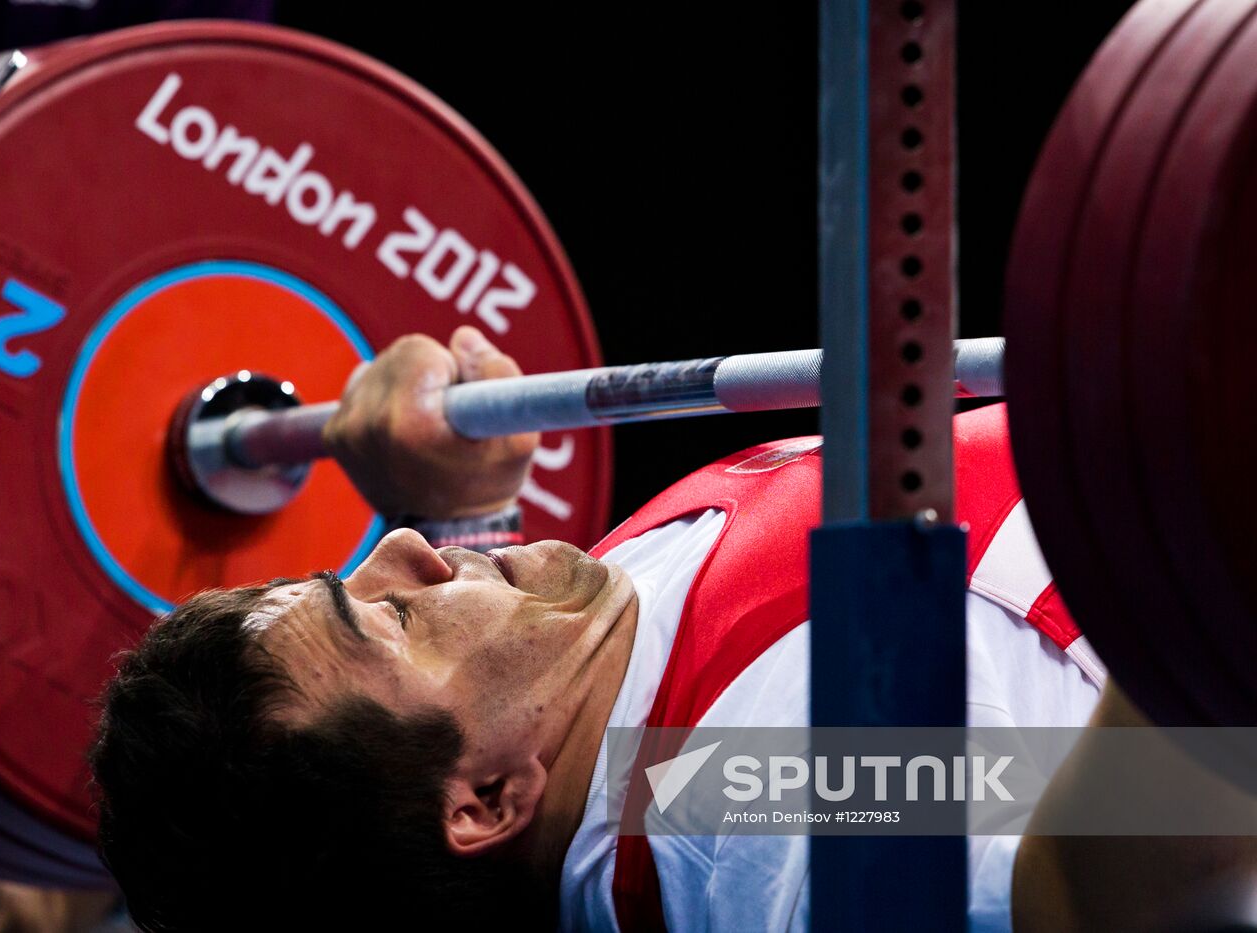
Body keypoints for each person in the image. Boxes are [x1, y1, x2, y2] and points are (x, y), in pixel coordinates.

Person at [89, 327, 1110, 931]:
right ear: (487, 802)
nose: (405, 545)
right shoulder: (756, 794)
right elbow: (1130, 855)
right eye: (391, 614)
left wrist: (471, 509)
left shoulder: (588, 688)